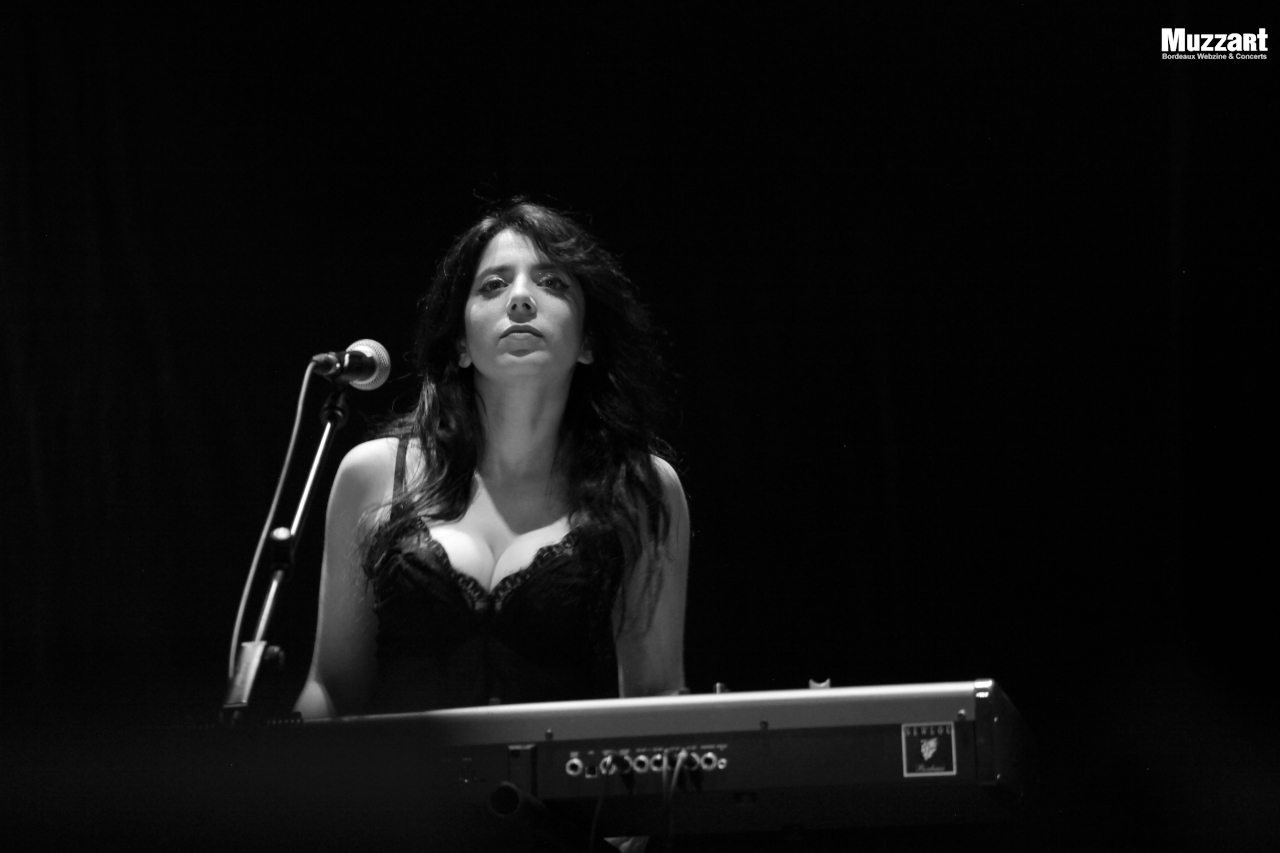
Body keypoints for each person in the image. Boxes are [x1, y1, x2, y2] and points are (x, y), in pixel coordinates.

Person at [295, 200, 689, 720]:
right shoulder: (371, 474)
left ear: (588, 341)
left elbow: (657, 696)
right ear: (460, 343)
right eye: (493, 285)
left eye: (551, 283)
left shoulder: (640, 486)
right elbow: (331, 688)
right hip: (400, 776)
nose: (521, 298)